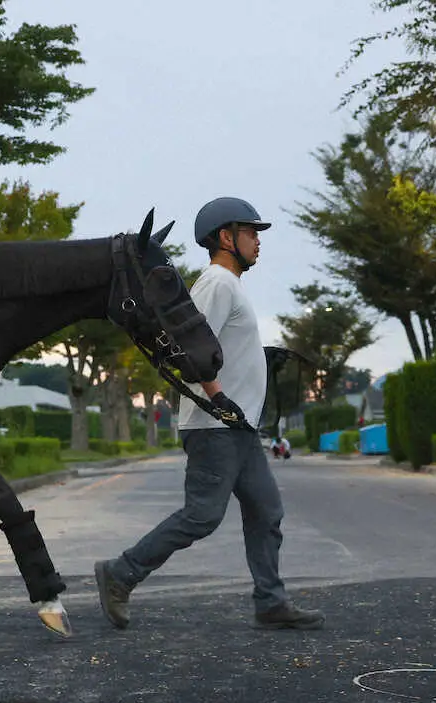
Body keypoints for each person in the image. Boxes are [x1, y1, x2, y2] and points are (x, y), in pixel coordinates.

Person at [94, 197, 324, 631]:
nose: (258, 241)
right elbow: (188, 349)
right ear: (225, 237)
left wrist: (258, 357)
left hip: (237, 428)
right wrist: (218, 396)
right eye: (251, 232)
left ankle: (270, 601)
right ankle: (120, 573)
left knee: (266, 511)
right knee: (202, 516)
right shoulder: (217, 284)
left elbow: (218, 347)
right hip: (214, 426)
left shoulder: (231, 286)